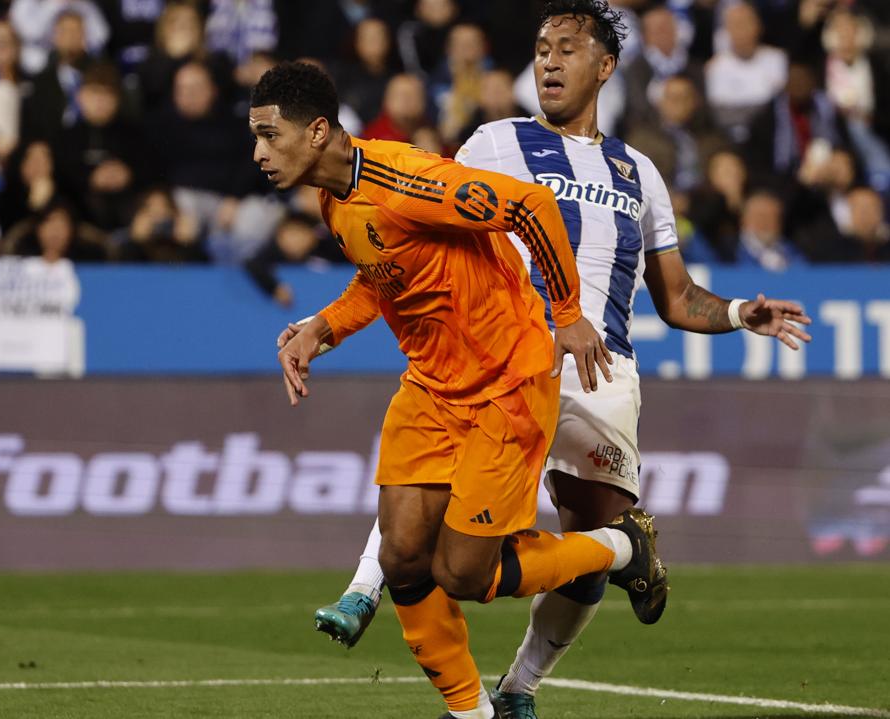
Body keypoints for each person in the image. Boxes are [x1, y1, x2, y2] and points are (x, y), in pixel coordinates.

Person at [302, 3, 814, 717]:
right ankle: (364, 586)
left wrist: (735, 313)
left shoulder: (641, 174)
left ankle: (519, 689)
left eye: (566, 49)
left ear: (604, 67)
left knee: (590, 540)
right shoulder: (492, 142)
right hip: (502, 359)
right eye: (541, 48)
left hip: (598, 375)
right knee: (428, 501)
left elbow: (676, 296)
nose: (547, 60)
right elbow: (415, 231)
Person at [253, 60, 668, 719]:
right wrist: (322, 328)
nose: (259, 153)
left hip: (506, 381)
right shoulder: (333, 199)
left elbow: (530, 206)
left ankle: (621, 545)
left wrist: (566, 314)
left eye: (270, 136)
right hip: (432, 387)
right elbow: (381, 273)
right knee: (405, 556)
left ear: (319, 132)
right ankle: (470, 712)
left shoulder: (409, 179)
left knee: (465, 574)